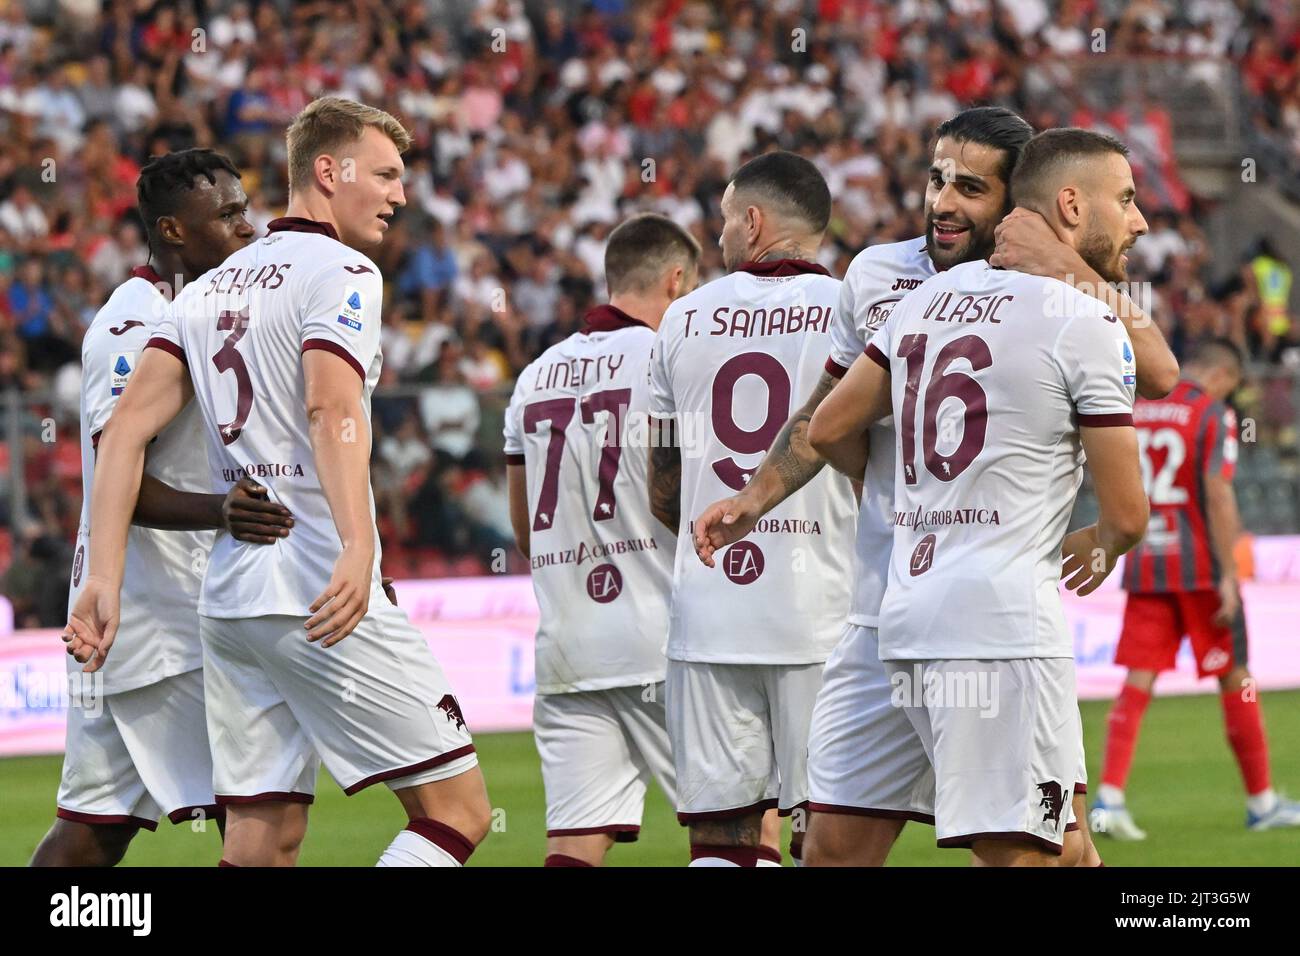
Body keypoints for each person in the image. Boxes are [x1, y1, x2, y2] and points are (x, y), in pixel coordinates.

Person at [695, 109, 1178, 866]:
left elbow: (1160, 371)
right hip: (889, 612)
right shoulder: (882, 276)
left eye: (970, 188)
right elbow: (823, 417)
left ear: (1020, 202)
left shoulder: (1026, 297)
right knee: (860, 848)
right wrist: (759, 498)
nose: (944, 202)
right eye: (936, 179)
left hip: (949, 606)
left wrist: (1068, 269)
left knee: (1060, 840)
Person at [63, 97, 492, 867]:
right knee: (458, 812)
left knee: (261, 842)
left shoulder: (204, 292)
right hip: (316, 585)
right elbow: (332, 409)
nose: (400, 194)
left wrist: (103, 579)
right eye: (387, 175)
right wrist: (360, 545)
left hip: (229, 602)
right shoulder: (343, 271)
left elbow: (124, 434)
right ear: (329, 172)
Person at [807, 128, 1151, 865]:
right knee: (1022, 854)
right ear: (1068, 204)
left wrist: (908, 501)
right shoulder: (1087, 319)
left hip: (901, 611)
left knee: (1067, 848)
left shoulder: (926, 297)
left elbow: (829, 424)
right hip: (1002, 628)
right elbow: (1127, 513)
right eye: (1126, 199)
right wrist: (1102, 541)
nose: (1140, 218)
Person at [31, 148, 293, 866]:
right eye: (230, 214)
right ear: (174, 232)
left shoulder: (203, 310)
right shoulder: (134, 321)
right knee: (267, 808)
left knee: (93, 830)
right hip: (149, 614)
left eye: (247, 208)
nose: (250, 226)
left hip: (162, 607)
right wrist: (223, 511)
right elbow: (118, 473)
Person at [647, 150, 857, 866]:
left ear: (755, 221)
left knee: (723, 835)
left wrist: (707, 539)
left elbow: (661, 481)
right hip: (822, 610)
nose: (720, 236)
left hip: (709, 612)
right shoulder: (853, 311)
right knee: (825, 835)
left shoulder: (681, 319)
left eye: (726, 220)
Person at [503, 213, 699, 866]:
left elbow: (524, 525)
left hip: (568, 646)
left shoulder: (534, 377)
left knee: (576, 844)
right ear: (675, 281)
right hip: (664, 640)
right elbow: (689, 502)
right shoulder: (672, 361)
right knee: (734, 832)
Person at [1093, 337, 1300, 837]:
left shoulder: (1136, 408)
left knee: (1138, 679)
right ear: (1224, 377)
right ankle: (1261, 800)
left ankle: (1110, 799)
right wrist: (1230, 572)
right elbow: (1219, 491)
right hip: (1201, 569)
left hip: (1146, 560)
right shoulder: (1212, 413)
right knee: (1239, 679)